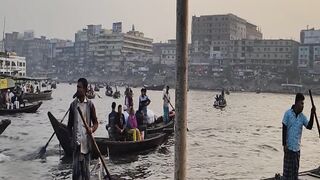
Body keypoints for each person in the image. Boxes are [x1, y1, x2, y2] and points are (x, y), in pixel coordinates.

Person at [67, 78, 99, 180]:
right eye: (77, 87)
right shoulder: (73, 105)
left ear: (85, 89)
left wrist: (92, 129)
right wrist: (71, 139)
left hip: (86, 144)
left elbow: (96, 123)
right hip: (76, 146)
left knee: (86, 175)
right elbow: (69, 126)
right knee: (76, 175)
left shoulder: (90, 105)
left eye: (80, 87)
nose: (78, 89)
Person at [282, 93, 315, 179]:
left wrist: (312, 114)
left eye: (303, 103)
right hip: (289, 148)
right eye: (302, 103)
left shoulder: (302, 117)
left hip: (296, 149)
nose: (303, 106)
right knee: (286, 173)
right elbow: (284, 129)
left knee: (294, 173)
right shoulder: (288, 114)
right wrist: (284, 144)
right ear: (296, 103)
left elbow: (309, 126)